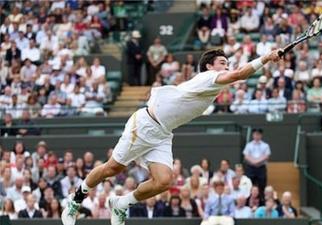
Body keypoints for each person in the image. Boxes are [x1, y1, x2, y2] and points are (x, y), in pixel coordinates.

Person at [62, 48, 282, 225]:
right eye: (223, 62)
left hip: (162, 133)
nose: (227, 65)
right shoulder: (208, 77)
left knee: (164, 181)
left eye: (227, 63)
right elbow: (238, 75)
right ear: (209, 66)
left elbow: (237, 76)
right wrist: (266, 57)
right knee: (113, 168)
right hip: (146, 124)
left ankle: (120, 203)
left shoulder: (214, 84)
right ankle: (75, 200)